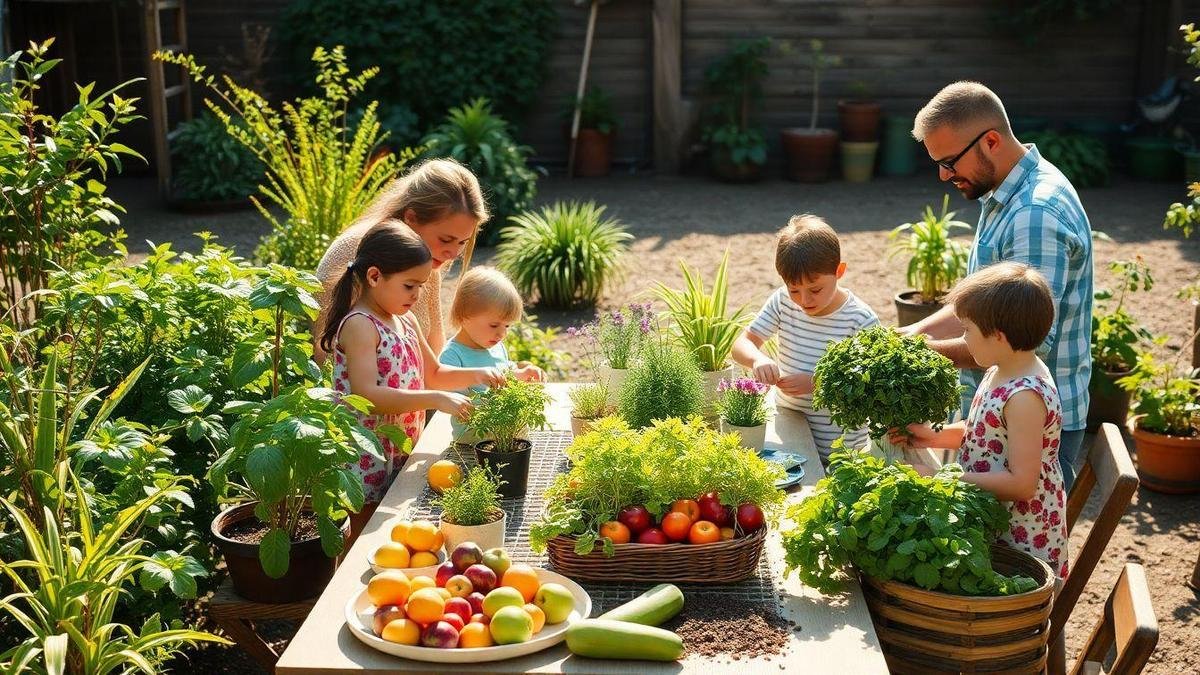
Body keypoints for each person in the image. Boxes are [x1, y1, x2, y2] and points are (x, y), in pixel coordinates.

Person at [903, 81, 1093, 489]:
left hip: (1029, 423)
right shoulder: (1004, 192)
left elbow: (1025, 341)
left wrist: (918, 354)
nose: (942, 175)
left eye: (950, 161)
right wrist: (913, 334)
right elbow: (982, 305)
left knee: (1007, 549)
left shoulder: (1034, 214)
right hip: (993, 409)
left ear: (990, 141)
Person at [320, 220, 505, 536]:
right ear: (375, 276)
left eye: (422, 286)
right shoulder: (359, 325)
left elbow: (432, 374)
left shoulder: (404, 321)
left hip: (401, 450)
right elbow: (367, 396)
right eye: (410, 286)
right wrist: (435, 399)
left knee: (397, 535)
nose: (417, 295)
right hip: (365, 458)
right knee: (363, 535)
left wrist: (480, 373)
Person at [891, 262, 1068, 579]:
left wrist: (937, 478)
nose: (964, 339)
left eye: (967, 330)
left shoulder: (1025, 397)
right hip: (993, 516)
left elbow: (1022, 484)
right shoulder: (1003, 368)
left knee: (1011, 610)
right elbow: (986, 435)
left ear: (998, 336)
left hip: (1020, 542)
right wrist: (934, 436)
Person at [731, 215, 880, 464]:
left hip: (840, 449)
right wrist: (757, 359)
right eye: (794, 289)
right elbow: (741, 344)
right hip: (790, 430)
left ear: (839, 271)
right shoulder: (782, 301)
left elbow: (872, 383)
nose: (804, 300)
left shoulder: (860, 319)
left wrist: (819, 383)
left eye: (815, 289)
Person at [314, 158, 489, 364]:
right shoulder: (353, 251)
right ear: (411, 217)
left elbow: (435, 349)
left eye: (463, 242)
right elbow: (326, 358)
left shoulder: (425, 260)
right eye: (445, 239)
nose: (453, 253)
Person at [438, 267, 546, 444]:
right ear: (464, 316)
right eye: (494, 325)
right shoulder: (452, 355)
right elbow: (447, 401)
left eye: (507, 326)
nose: (502, 334)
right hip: (473, 437)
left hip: (502, 430)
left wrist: (521, 373)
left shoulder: (496, 346)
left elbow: (503, 370)